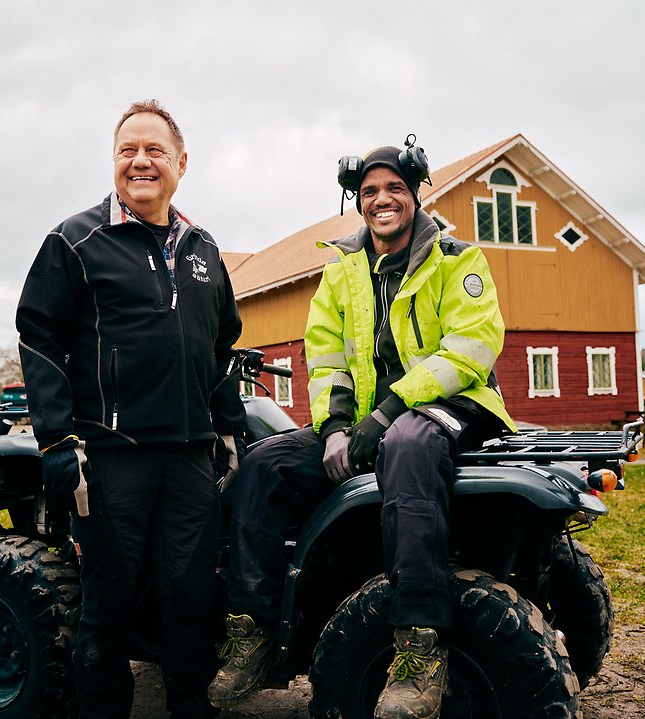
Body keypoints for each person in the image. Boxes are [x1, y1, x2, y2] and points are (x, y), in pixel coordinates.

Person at [208, 139, 516, 718]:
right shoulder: (341, 271)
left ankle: (419, 650)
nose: (382, 200)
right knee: (262, 465)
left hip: (454, 406)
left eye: (395, 188)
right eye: (370, 191)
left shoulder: (457, 260)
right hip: (367, 418)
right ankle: (250, 630)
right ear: (357, 200)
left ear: (416, 193)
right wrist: (336, 428)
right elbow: (324, 357)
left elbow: (469, 349)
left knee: (408, 444)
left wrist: (390, 411)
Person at [16, 99, 244, 719]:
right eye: (127, 151)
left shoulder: (203, 247)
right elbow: (40, 339)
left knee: (192, 597)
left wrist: (229, 429)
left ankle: (190, 705)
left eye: (154, 151)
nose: (140, 162)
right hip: (112, 462)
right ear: (114, 162)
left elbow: (222, 343)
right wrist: (58, 445)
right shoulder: (75, 241)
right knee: (108, 606)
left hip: (191, 459)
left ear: (181, 163)